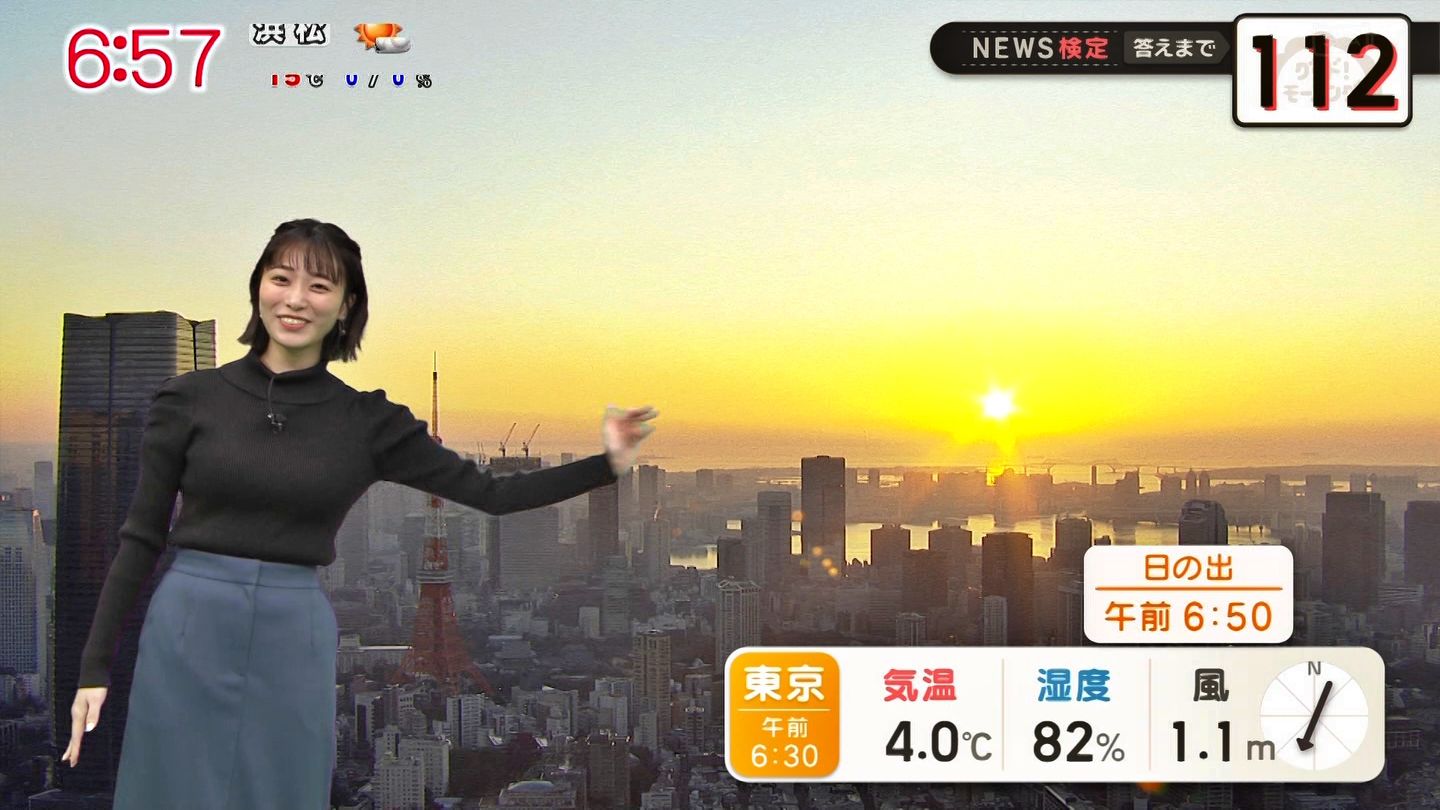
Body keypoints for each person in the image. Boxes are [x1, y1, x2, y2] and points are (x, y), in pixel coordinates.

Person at [60, 219, 657, 808]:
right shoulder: (188, 400)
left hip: (291, 624)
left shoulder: (367, 421)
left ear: (346, 308)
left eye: (320, 285)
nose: (296, 298)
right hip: (191, 614)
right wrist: (94, 667)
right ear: (258, 288)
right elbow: (141, 538)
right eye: (281, 278)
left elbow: (491, 494)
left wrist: (606, 464)